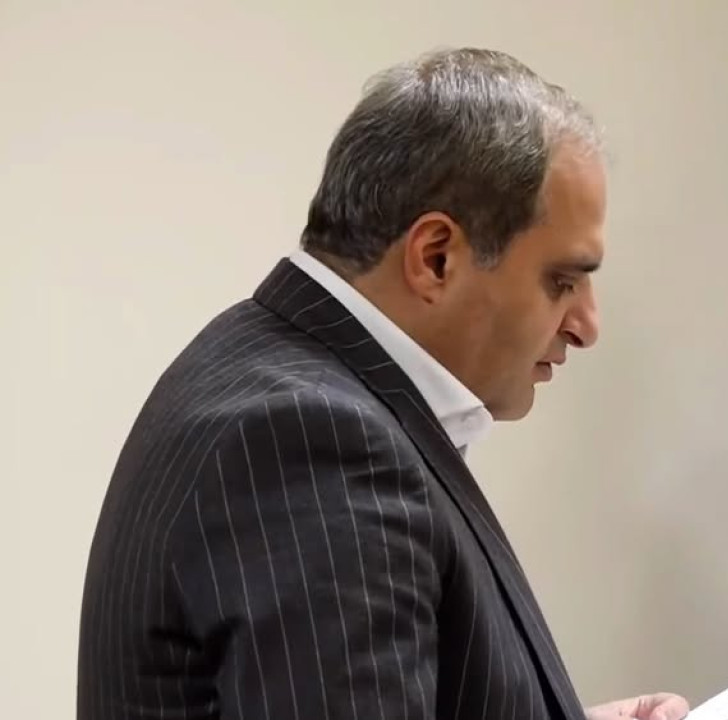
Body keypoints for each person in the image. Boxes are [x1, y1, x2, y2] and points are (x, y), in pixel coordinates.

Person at [77, 47, 688, 720]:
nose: (587, 326)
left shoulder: (268, 369)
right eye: (561, 281)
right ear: (436, 258)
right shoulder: (315, 441)